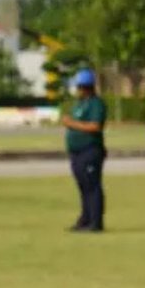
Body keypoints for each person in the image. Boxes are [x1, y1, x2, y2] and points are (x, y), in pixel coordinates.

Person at [62, 67, 107, 233]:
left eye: (79, 87)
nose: (77, 91)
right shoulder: (79, 104)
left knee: (92, 186)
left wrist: (71, 124)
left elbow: (95, 126)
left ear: (85, 87)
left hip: (90, 150)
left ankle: (96, 222)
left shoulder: (96, 104)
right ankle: (85, 218)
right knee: (82, 186)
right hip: (76, 151)